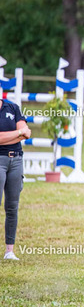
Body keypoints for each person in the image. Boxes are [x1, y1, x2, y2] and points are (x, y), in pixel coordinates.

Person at [0, 97, 30, 260]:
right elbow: (21, 132)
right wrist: (18, 133)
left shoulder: (12, 107)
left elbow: (27, 133)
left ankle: (9, 251)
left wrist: (13, 135)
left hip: (16, 159)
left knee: (12, 207)